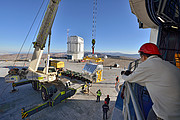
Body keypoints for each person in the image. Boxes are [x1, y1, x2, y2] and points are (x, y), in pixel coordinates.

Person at [121, 43, 180, 120]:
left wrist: (123, 74)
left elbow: (129, 78)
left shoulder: (148, 64)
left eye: (141, 57)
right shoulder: (167, 64)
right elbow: (149, 81)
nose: (141, 60)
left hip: (167, 115)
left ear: (144, 56)